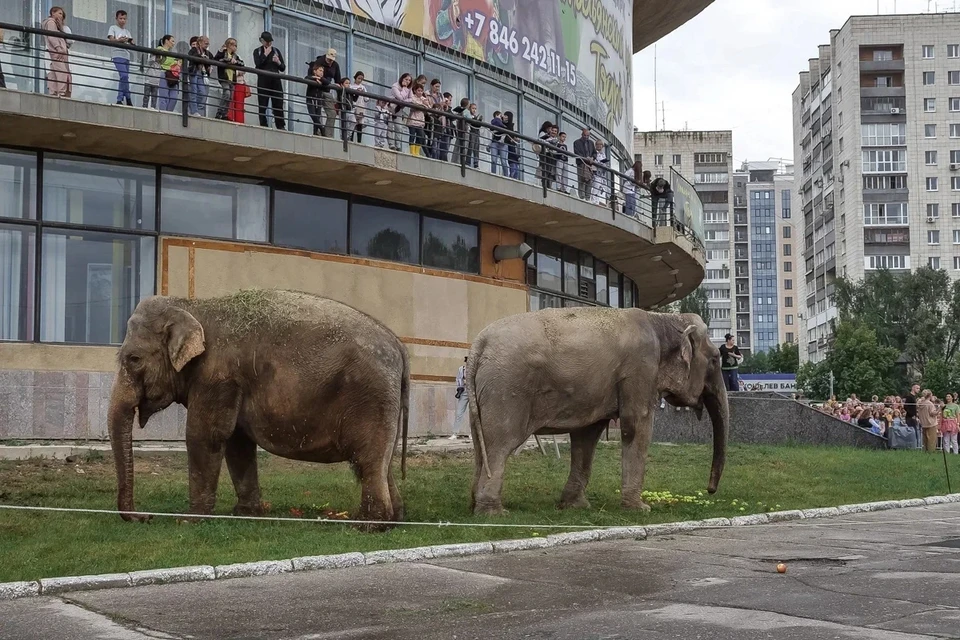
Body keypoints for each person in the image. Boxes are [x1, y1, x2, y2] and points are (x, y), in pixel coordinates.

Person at [253, 31, 285, 130]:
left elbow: (283, 67)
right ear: (262, 41)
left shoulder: (276, 51)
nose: (269, 44)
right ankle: (263, 124)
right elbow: (258, 65)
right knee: (263, 103)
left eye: (270, 42)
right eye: (267, 42)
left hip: (275, 80)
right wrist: (265, 55)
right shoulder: (257, 51)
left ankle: (280, 125)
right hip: (263, 80)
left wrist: (278, 62)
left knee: (278, 102)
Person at [42, 6, 71, 97]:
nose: (61, 16)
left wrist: (61, 28)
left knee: (54, 71)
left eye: (62, 14)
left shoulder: (55, 25)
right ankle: (61, 93)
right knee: (62, 71)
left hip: (56, 51)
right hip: (57, 51)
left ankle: (53, 92)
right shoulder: (51, 22)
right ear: (53, 13)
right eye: (59, 13)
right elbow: (52, 36)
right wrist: (58, 48)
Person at [107, 10, 134, 106]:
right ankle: (122, 98)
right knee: (124, 76)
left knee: (125, 77)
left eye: (124, 19)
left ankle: (127, 98)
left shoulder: (127, 31)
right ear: (116, 19)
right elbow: (111, 39)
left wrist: (130, 41)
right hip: (117, 54)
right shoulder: (113, 28)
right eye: (120, 18)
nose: (122, 20)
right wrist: (119, 40)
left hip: (126, 56)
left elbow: (132, 42)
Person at [315, 48, 342, 137]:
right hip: (317, 90)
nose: (330, 62)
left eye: (332, 60)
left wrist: (339, 96)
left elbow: (338, 80)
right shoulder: (319, 61)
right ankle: (318, 132)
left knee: (332, 113)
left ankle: (328, 134)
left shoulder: (335, 65)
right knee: (317, 112)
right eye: (329, 59)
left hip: (327, 90)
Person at [213, 38, 240, 120]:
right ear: (229, 45)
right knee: (227, 93)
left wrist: (236, 62)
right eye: (234, 45)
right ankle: (219, 113)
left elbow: (242, 63)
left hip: (232, 79)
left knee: (230, 97)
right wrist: (229, 60)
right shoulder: (223, 53)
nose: (235, 47)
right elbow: (216, 59)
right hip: (224, 78)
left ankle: (224, 114)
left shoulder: (235, 56)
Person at [187, 35, 213, 117]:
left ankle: (197, 110)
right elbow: (191, 56)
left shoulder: (207, 52)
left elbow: (213, 59)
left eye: (208, 44)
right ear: (200, 43)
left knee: (203, 93)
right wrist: (201, 57)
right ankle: (193, 111)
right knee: (193, 91)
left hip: (202, 74)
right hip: (194, 72)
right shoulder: (194, 50)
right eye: (206, 43)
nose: (207, 45)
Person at [389, 73, 413, 152]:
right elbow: (400, 97)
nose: (408, 81)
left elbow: (411, 99)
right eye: (406, 79)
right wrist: (404, 88)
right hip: (391, 108)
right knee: (390, 126)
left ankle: (398, 145)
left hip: (400, 109)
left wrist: (404, 101)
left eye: (409, 80)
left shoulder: (409, 89)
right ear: (402, 78)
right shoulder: (395, 86)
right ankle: (391, 144)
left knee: (399, 127)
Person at [305, 59, 329, 135]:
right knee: (312, 114)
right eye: (320, 70)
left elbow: (327, 83)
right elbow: (306, 78)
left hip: (318, 100)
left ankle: (315, 132)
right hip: (311, 99)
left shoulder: (322, 80)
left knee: (317, 116)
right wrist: (315, 78)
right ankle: (321, 128)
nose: (322, 73)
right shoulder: (310, 77)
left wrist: (320, 79)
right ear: (315, 71)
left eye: (322, 71)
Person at [157, 34, 180, 112]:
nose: (173, 43)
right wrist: (175, 62)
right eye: (172, 41)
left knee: (174, 97)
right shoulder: (160, 49)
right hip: (164, 72)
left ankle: (168, 112)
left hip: (173, 75)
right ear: (166, 41)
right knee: (164, 96)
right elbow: (162, 61)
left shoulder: (172, 53)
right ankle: (163, 113)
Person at [407, 83, 430, 156]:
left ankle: (416, 151)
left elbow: (428, 107)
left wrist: (425, 103)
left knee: (420, 136)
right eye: (418, 90)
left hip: (420, 121)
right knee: (412, 135)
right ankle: (412, 151)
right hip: (413, 120)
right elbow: (415, 104)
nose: (420, 92)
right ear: (415, 91)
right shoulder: (413, 97)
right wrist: (422, 105)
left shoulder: (423, 99)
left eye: (421, 91)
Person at [573, 128, 596, 199]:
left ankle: (587, 197)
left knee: (589, 180)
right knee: (581, 179)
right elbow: (577, 153)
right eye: (585, 135)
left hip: (590, 164)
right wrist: (586, 158)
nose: (586, 137)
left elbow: (594, 153)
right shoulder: (576, 142)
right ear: (582, 134)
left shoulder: (591, 143)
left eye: (587, 136)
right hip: (581, 163)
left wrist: (592, 158)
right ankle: (582, 196)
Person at [451, 357, 469, 440]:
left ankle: (471, 434)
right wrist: (459, 388)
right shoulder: (462, 369)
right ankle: (455, 433)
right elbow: (458, 379)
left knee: (473, 414)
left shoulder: (476, 370)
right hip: (464, 391)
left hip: (473, 391)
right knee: (459, 412)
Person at [489, 111, 509, 175]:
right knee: (494, 160)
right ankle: (493, 174)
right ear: (497, 115)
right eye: (500, 116)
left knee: (503, 161)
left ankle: (506, 175)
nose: (501, 117)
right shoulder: (496, 121)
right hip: (495, 142)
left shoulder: (503, 123)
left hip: (501, 143)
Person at [591, 139, 611, 205]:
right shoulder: (594, 153)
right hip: (596, 173)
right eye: (598, 144)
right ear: (595, 145)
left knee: (600, 188)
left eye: (600, 144)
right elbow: (593, 161)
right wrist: (599, 163)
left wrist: (605, 164)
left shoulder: (603, 154)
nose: (599, 146)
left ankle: (597, 201)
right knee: (596, 187)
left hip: (602, 174)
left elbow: (605, 162)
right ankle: (594, 201)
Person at [904, 383, 921, 449]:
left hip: (913, 417)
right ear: (913, 388)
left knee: (915, 431)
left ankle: (915, 446)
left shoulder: (914, 397)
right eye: (917, 388)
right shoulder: (909, 396)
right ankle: (911, 446)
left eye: (919, 388)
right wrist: (912, 415)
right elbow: (906, 407)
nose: (918, 390)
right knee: (912, 432)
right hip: (910, 417)